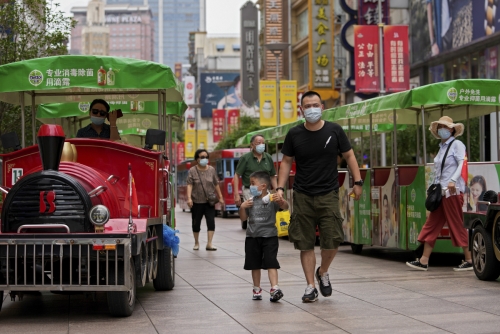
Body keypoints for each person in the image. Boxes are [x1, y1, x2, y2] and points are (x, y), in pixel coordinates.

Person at [275, 90, 363, 303]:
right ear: (301, 110)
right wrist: (279, 187)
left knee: (332, 240)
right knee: (305, 243)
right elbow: (286, 161)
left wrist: (358, 181)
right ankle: (310, 286)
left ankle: (322, 271)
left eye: (316, 105)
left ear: (322, 107)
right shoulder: (294, 134)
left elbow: (349, 155)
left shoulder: (335, 130)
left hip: (328, 194)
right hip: (303, 194)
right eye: (307, 106)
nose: (312, 109)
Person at [406, 116, 472, 272]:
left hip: (451, 192)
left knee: (456, 224)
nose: (442, 129)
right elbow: (438, 171)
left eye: (445, 126)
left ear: (452, 129)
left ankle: (469, 259)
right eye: (440, 127)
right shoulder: (442, 147)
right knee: (432, 224)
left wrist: (453, 180)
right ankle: (423, 260)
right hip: (441, 192)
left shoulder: (457, 144)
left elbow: (462, 163)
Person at [239, 171, 289, 302]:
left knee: (271, 261)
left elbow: (285, 206)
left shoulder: (272, 199)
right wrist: (242, 207)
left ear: (263, 186)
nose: (251, 187)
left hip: (270, 236)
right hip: (252, 237)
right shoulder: (249, 201)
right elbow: (244, 218)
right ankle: (257, 289)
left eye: (253, 184)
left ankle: (274, 288)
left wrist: (282, 201)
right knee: (254, 264)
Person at [234, 134, 278, 228]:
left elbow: (273, 176)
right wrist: (237, 194)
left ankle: (265, 233)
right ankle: (255, 233)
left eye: (263, 143)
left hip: (265, 191)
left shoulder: (268, 158)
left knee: (266, 214)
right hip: (250, 191)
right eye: (258, 143)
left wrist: (277, 190)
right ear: (252, 145)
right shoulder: (245, 158)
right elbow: (237, 175)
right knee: (254, 214)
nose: (261, 145)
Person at [186, 149, 224, 251]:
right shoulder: (192, 170)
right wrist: (189, 198)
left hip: (209, 202)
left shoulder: (211, 169)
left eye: (206, 157)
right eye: (202, 157)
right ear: (197, 159)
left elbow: (216, 184)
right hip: (196, 202)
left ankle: (209, 243)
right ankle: (196, 242)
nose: (205, 159)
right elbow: (189, 185)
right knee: (196, 222)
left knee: (211, 222)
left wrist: (220, 197)